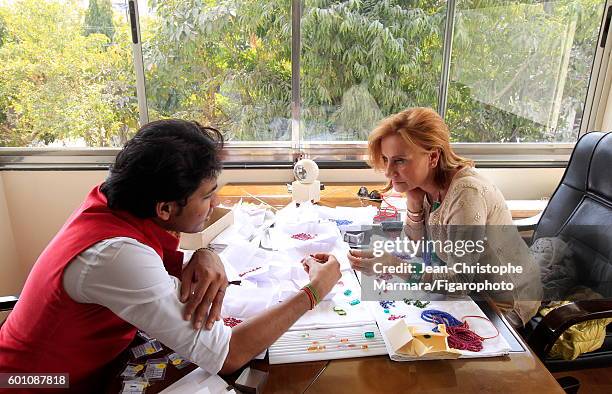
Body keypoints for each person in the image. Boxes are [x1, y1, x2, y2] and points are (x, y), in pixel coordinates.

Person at [0, 119, 341, 391]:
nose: (216, 205)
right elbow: (227, 354)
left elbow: (158, 254)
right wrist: (313, 292)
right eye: (207, 197)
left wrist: (205, 251)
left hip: (93, 365)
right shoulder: (115, 255)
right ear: (164, 208)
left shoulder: (115, 201)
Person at [347, 107, 542, 327]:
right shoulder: (424, 186)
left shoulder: (467, 194)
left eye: (400, 161)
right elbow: (418, 250)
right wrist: (413, 205)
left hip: (501, 302)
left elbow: (460, 281)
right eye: (386, 159)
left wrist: (394, 265)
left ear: (433, 157)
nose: (388, 172)